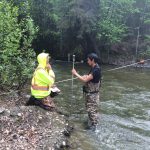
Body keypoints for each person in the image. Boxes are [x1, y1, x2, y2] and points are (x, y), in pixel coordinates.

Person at [72, 53, 101, 130]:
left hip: (93, 95)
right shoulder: (93, 67)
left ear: (93, 60)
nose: (87, 61)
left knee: (92, 111)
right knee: (90, 110)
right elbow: (90, 77)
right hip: (90, 94)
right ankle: (91, 124)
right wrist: (86, 76)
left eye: (88, 60)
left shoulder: (96, 69)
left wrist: (75, 74)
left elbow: (85, 80)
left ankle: (95, 128)